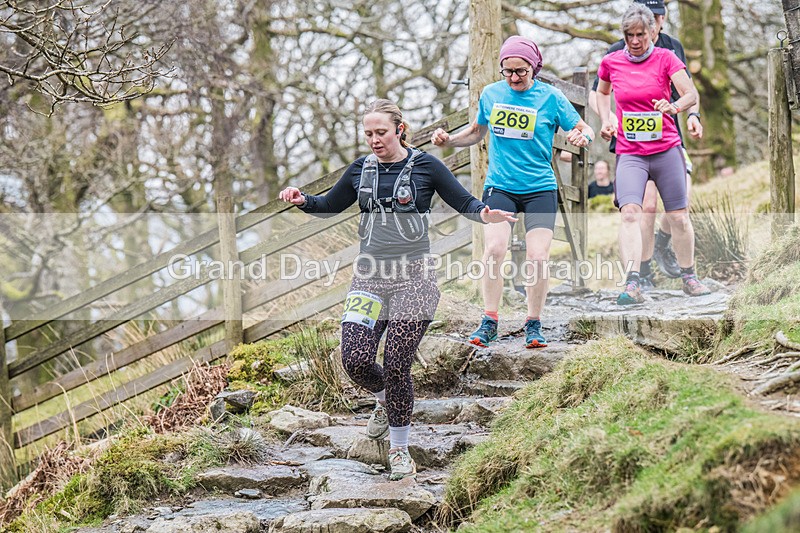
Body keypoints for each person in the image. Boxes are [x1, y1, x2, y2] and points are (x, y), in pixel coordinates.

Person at [279, 99, 515, 481]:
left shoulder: (426, 165)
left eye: (381, 133)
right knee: (354, 360)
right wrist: (302, 199)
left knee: (397, 363)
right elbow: (328, 205)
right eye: (368, 133)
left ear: (399, 130)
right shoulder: (360, 170)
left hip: (415, 278)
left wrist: (485, 213)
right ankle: (386, 401)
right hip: (370, 276)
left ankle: (400, 450)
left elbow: (464, 201)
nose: (374, 140)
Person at [431, 36, 594, 349]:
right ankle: (489, 320)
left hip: (539, 190)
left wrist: (581, 136)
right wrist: (448, 140)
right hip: (501, 186)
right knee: (493, 250)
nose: (515, 78)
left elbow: (584, 129)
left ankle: (533, 323)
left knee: (538, 257)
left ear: (534, 67)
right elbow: (477, 131)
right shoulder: (491, 93)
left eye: (521, 71)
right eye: (508, 71)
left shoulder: (551, 97)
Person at [596, 2, 710, 304]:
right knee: (631, 213)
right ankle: (633, 282)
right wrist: (607, 120)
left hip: (665, 149)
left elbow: (690, 93)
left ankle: (689, 276)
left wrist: (674, 107)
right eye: (629, 35)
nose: (635, 41)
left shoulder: (667, 57)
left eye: (641, 35)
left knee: (678, 217)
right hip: (631, 152)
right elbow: (602, 92)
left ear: (653, 31)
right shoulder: (612, 61)